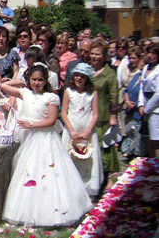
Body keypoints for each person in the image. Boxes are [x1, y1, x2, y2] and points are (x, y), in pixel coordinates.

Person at [1, 64, 92, 226]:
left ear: (45, 81)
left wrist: (31, 125)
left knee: (46, 171)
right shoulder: (25, 93)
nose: (36, 83)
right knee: (28, 171)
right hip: (29, 140)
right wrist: (20, 83)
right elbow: (3, 86)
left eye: (40, 80)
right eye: (34, 79)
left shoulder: (51, 97)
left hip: (45, 138)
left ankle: (51, 210)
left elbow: (51, 120)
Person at [61, 63, 103, 197]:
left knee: (88, 158)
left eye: (83, 76)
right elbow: (64, 113)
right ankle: (69, 186)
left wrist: (87, 132)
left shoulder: (92, 93)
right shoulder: (69, 92)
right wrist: (71, 130)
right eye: (77, 75)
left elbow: (95, 114)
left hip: (87, 131)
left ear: (87, 79)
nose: (79, 79)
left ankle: (89, 187)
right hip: (72, 130)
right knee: (70, 156)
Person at [89, 40, 120, 189]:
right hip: (88, 116)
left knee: (105, 148)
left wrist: (113, 115)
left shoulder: (109, 73)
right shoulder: (88, 71)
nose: (94, 57)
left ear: (104, 56)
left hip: (103, 116)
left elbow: (115, 96)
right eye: (92, 53)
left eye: (97, 54)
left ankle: (109, 178)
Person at [121, 47, 147, 159]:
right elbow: (127, 89)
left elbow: (144, 94)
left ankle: (138, 155)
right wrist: (127, 101)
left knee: (138, 136)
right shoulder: (137, 76)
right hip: (129, 110)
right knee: (129, 133)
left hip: (138, 111)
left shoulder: (145, 78)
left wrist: (135, 104)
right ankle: (129, 152)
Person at [138, 43, 159, 159]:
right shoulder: (146, 67)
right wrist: (141, 104)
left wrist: (147, 109)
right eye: (149, 52)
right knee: (148, 140)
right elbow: (142, 86)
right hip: (146, 106)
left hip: (155, 109)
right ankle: (151, 168)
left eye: (154, 53)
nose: (150, 55)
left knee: (156, 141)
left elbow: (158, 94)